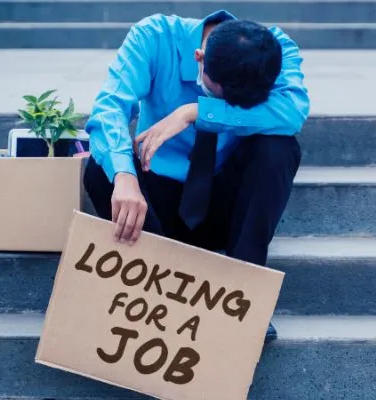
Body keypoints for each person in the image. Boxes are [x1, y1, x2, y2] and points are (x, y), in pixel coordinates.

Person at [82, 10, 310, 341]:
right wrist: (125, 178)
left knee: (279, 148)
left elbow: (292, 113)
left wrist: (198, 112)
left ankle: (244, 297)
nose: (225, 103)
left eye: (237, 103)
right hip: (155, 208)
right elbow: (108, 109)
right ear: (198, 58)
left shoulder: (275, 48)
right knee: (103, 169)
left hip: (224, 205)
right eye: (220, 95)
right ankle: (161, 295)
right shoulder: (154, 36)